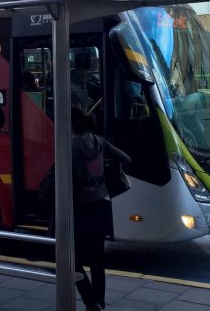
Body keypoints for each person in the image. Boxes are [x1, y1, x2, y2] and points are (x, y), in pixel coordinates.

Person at [71, 108, 131, 311]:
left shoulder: (69, 146)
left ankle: (90, 302)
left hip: (81, 210)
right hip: (102, 205)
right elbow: (126, 159)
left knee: (72, 260)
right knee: (97, 260)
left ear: (69, 125)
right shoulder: (99, 141)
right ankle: (99, 304)